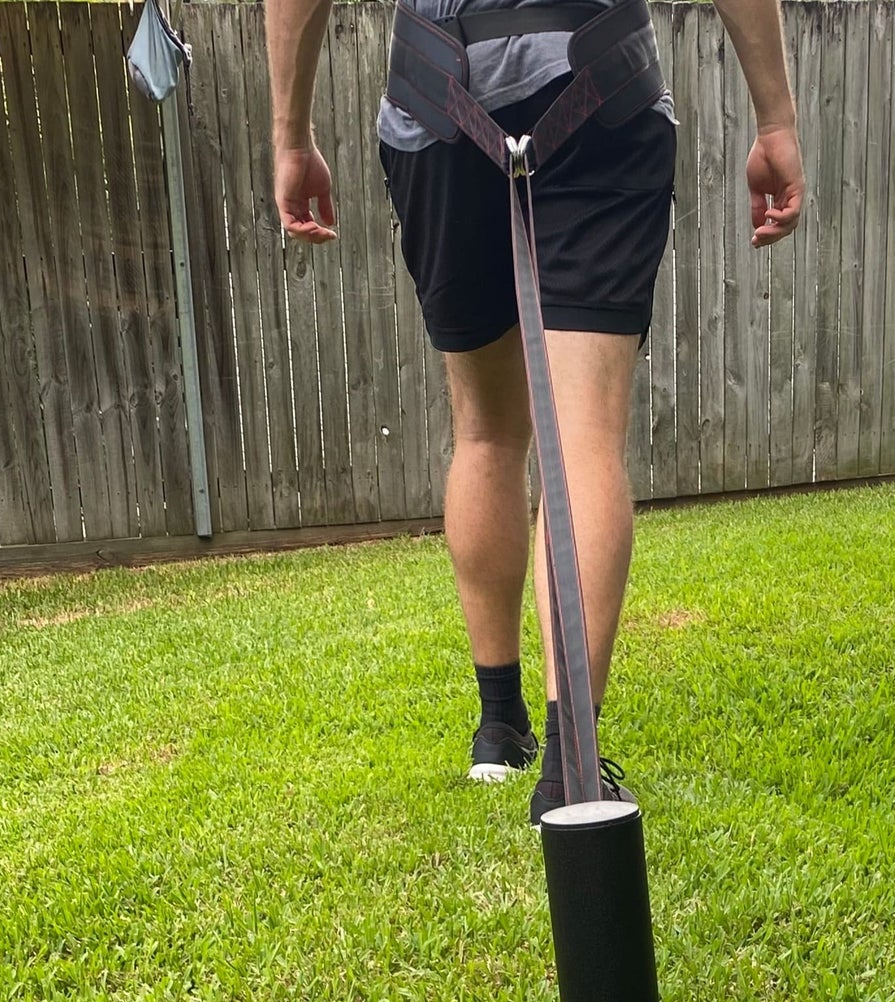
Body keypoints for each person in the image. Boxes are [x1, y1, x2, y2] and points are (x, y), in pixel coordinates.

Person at [265, 0, 803, 822]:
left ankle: (498, 725)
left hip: (435, 97)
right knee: (581, 433)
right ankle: (567, 762)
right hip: (601, 89)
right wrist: (775, 120)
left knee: (484, 431)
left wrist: (291, 137)